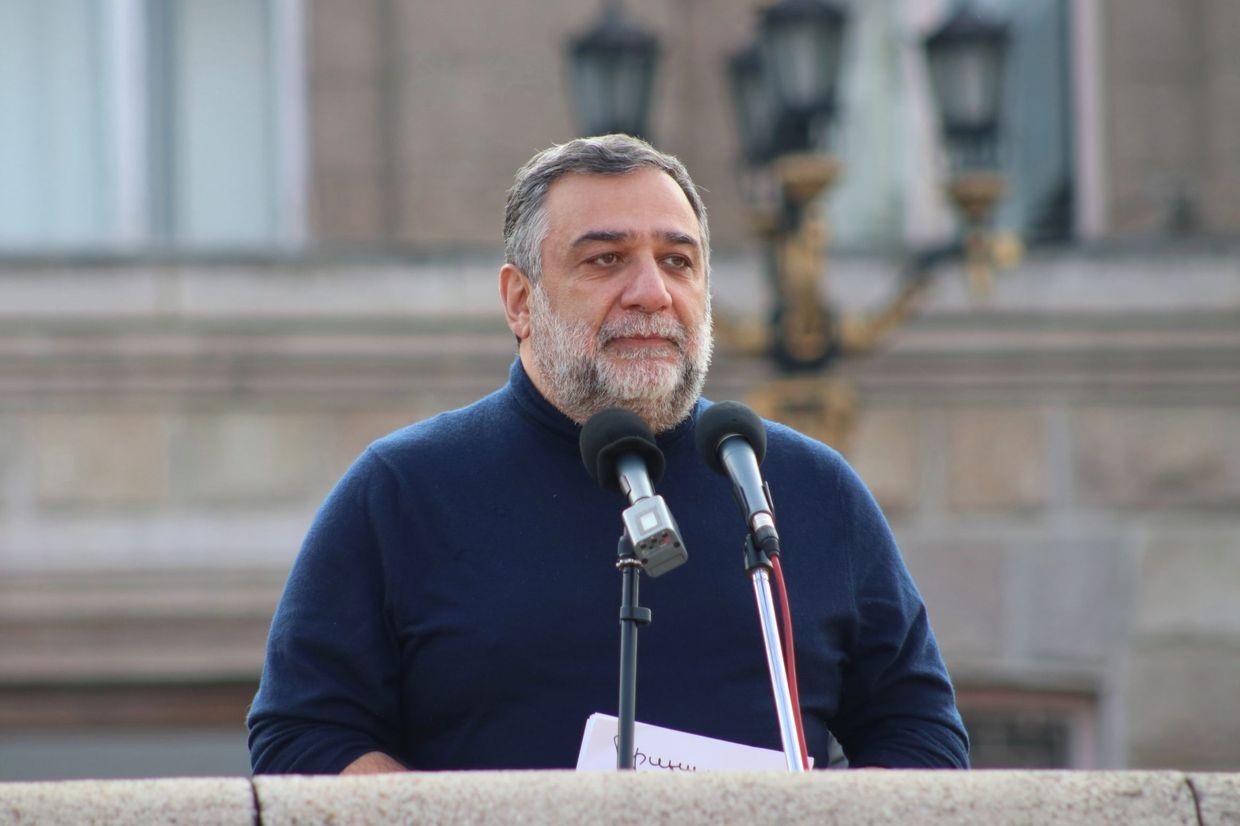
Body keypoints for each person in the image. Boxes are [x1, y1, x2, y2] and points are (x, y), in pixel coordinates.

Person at [247, 134, 969, 774]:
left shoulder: (798, 488)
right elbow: (305, 736)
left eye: (678, 261)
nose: (652, 292)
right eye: (606, 259)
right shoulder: (402, 492)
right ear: (520, 301)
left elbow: (922, 736)